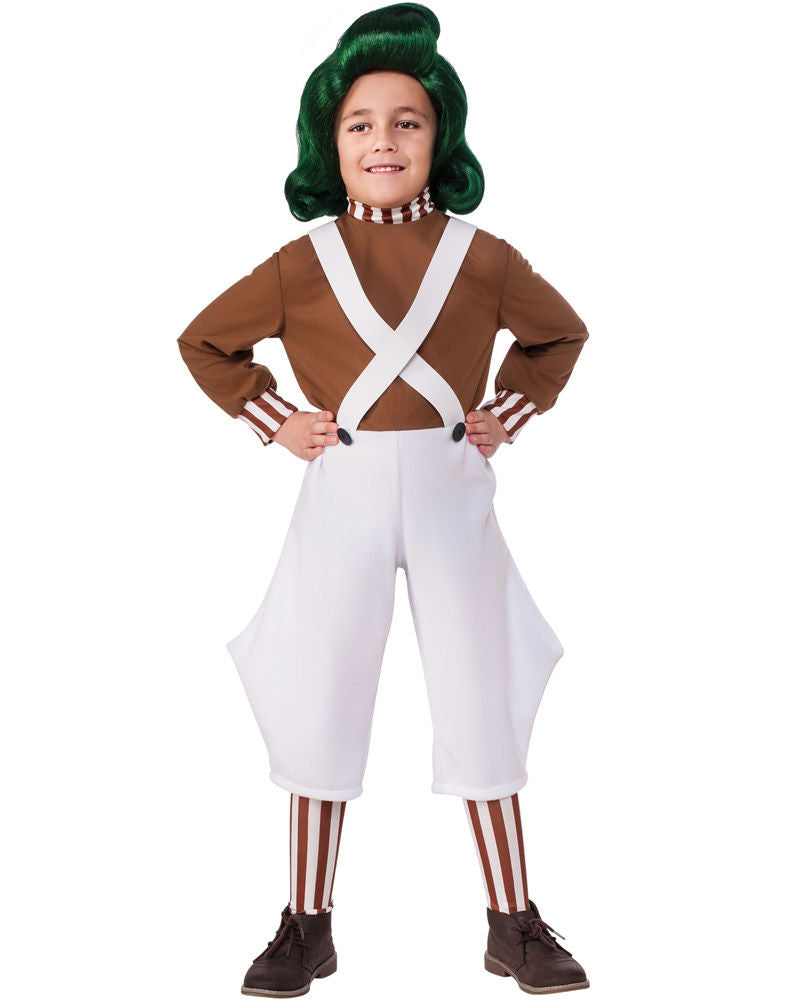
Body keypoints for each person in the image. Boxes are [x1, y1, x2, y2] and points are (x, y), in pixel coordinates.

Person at [177, 4, 591, 996]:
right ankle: (305, 922)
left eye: (407, 121)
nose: (383, 141)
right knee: (318, 695)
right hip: (343, 493)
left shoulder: (482, 256)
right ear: (329, 141)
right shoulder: (301, 263)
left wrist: (507, 413)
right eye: (360, 123)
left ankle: (513, 919)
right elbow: (205, 341)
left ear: (441, 136)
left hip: (453, 496)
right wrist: (273, 417)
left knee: (482, 693)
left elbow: (560, 334)